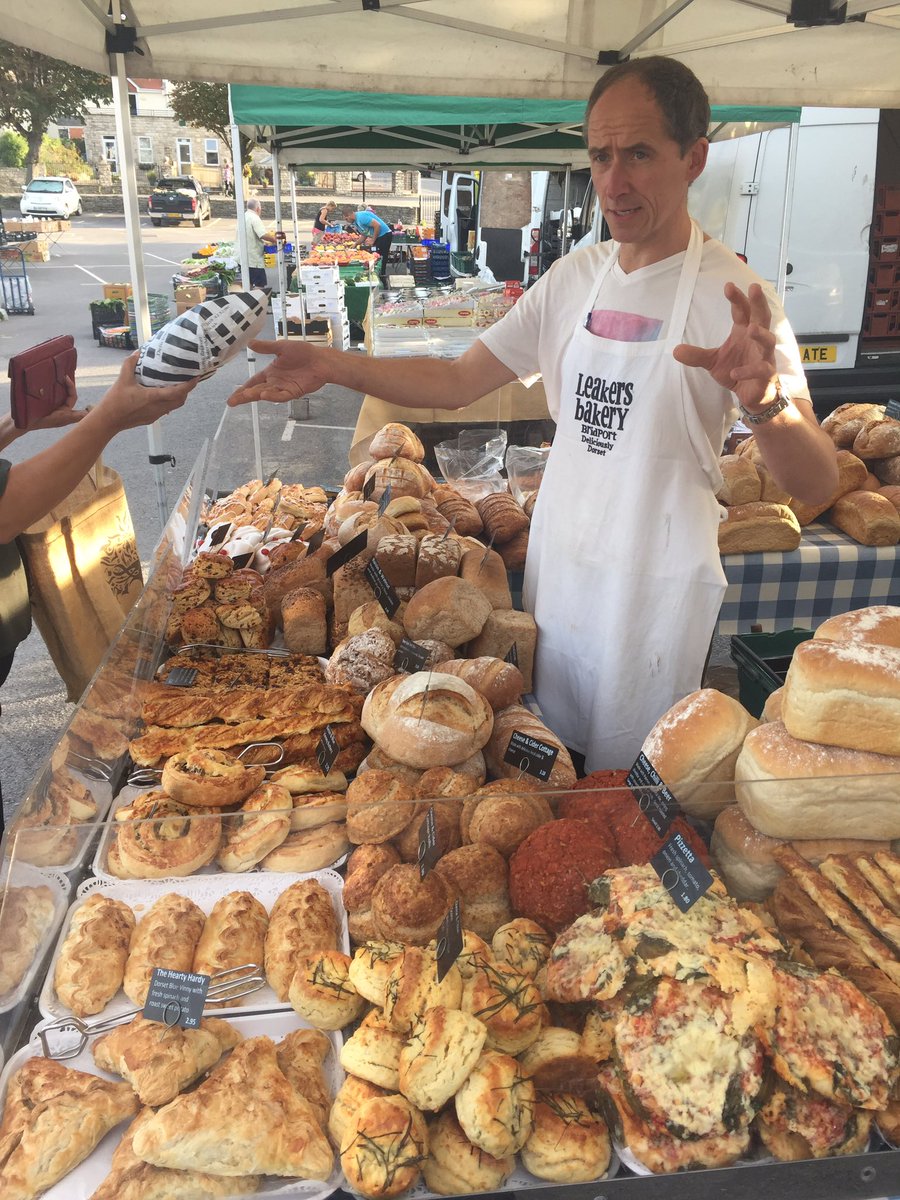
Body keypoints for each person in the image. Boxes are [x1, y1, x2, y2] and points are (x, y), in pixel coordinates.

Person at [229, 56, 839, 771]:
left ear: (694, 157)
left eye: (639, 153)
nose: (615, 180)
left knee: (631, 784)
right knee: (542, 760)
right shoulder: (575, 278)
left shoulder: (735, 296)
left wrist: (763, 401)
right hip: (563, 572)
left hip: (652, 588)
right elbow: (457, 380)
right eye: (601, 156)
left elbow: (816, 485)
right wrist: (333, 365)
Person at [344, 206, 392, 281]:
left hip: (384, 235)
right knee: (374, 256)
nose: (346, 221)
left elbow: (377, 225)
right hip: (379, 236)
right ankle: (374, 276)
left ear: (349, 215)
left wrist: (373, 240)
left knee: (381, 258)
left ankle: (381, 278)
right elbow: (364, 234)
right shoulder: (356, 222)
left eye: (346, 219)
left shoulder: (361, 217)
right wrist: (356, 244)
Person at [243, 197, 277, 290]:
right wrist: (275, 240)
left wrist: (263, 243)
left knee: (248, 282)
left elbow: (252, 236)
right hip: (253, 258)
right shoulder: (254, 218)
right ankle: (255, 303)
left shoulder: (244, 216)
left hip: (243, 256)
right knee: (260, 283)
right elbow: (263, 235)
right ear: (258, 208)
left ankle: (247, 302)